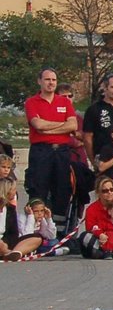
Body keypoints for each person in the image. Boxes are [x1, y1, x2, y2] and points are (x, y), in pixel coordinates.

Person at [24, 68, 79, 222]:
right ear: (39, 81)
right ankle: (35, 228)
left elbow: (73, 125)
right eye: (47, 79)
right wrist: (62, 125)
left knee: (62, 191)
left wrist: (49, 129)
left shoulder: (64, 102)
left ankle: (58, 231)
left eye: (54, 80)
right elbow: (37, 124)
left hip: (61, 152)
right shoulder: (31, 102)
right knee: (38, 190)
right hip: (41, 152)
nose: (51, 83)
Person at [79, 72, 113, 162]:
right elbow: (87, 137)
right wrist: (93, 161)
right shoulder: (94, 109)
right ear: (105, 87)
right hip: (102, 159)